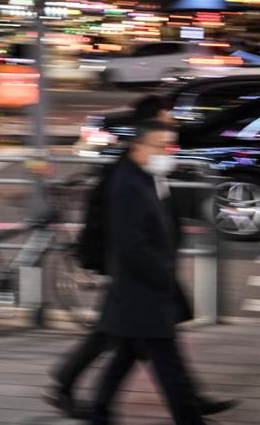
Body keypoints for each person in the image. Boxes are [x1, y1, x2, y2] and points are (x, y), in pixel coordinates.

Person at [47, 96, 236, 419]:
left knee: (127, 344)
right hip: (135, 272)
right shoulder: (128, 173)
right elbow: (119, 231)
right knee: (145, 344)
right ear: (147, 128)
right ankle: (185, 407)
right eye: (165, 123)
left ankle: (97, 405)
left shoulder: (147, 166)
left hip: (144, 271)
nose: (170, 130)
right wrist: (146, 267)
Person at [91, 120, 225, 425]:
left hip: (140, 290)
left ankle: (99, 413)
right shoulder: (128, 185)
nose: (166, 153)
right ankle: (190, 420)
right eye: (160, 146)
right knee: (169, 366)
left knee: (127, 355)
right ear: (138, 147)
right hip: (144, 291)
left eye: (168, 146)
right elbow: (132, 246)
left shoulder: (141, 176)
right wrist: (162, 275)